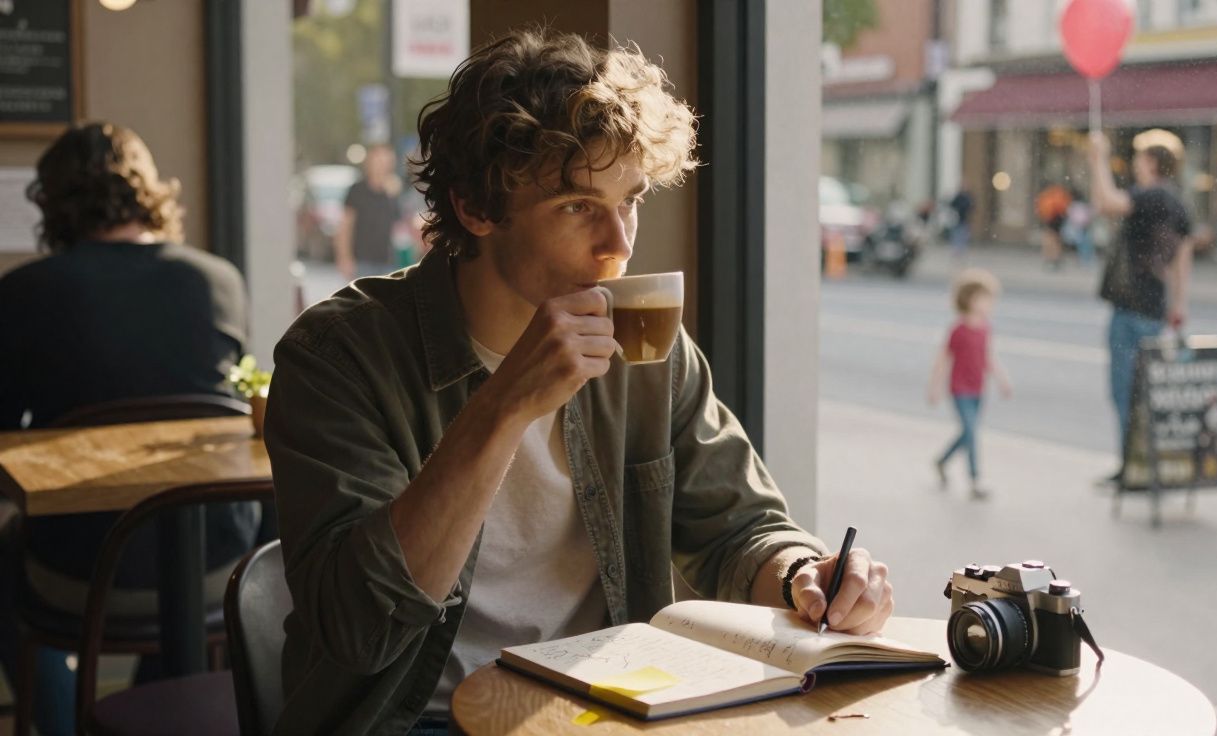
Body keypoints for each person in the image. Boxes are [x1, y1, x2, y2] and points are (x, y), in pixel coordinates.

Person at [264, 29, 894, 736]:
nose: (619, 244)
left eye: (631, 199)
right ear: (475, 208)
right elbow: (358, 626)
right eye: (575, 207)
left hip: (603, 710)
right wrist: (501, 407)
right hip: (414, 720)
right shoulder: (338, 356)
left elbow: (739, 524)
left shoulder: (645, 343)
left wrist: (804, 573)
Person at [0, 122, 260, 735]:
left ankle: (69, 726)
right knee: (174, 537)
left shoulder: (24, 292)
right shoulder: (217, 280)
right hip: (219, 563)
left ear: (53, 202)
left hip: (80, 568)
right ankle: (145, 715)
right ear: (149, 191)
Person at [1087, 131, 1193, 485]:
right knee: (1147, 393)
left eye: (1138, 159)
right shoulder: (1176, 201)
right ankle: (1146, 464)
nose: (1135, 165)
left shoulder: (1151, 196)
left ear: (1151, 162)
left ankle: (1132, 468)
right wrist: (1179, 302)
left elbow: (1106, 203)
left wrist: (1097, 159)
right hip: (1153, 307)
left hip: (1131, 307)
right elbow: (1183, 256)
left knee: (1125, 393)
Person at [928, 269, 1012, 499]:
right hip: (960, 389)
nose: (990, 304)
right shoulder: (959, 330)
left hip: (978, 389)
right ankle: (975, 480)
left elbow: (988, 357)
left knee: (968, 432)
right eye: (985, 299)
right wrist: (934, 387)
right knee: (972, 432)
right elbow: (943, 359)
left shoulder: (985, 328)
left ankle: (942, 461)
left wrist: (1002, 380)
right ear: (971, 300)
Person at [335, 143, 404, 280]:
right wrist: (344, 257)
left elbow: (399, 227)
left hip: (388, 262)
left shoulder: (392, 192)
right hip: (362, 262)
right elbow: (345, 226)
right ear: (369, 162)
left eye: (387, 162)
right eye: (378, 161)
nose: (382, 166)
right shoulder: (357, 190)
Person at [1035, 182, 1072, 270]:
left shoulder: (1047, 196)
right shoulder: (1060, 195)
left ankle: (1051, 257)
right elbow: (1066, 208)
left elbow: (1042, 209)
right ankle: (1056, 258)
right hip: (1058, 219)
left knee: (1051, 239)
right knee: (1056, 239)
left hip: (1052, 220)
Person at [948, 188, 973, 259]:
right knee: (958, 234)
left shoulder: (967, 197)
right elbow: (952, 204)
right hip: (958, 219)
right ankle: (957, 249)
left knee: (962, 234)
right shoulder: (960, 197)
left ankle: (960, 249)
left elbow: (970, 206)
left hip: (963, 219)